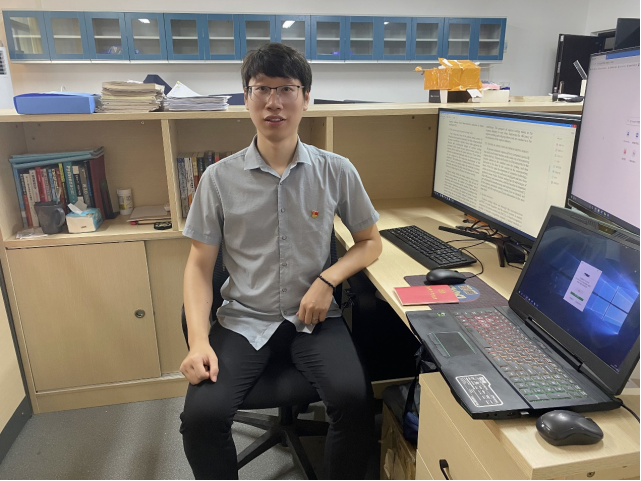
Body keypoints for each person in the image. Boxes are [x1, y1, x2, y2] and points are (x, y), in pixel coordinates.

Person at [179, 42, 382, 480]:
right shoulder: (218, 179)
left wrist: (327, 281)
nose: (274, 102)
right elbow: (198, 266)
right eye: (262, 89)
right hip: (244, 319)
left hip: (314, 318)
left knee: (355, 402)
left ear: (306, 98)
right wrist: (198, 341)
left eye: (287, 89)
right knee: (201, 419)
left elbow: (370, 242)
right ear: (246, 98)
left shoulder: (336, 170)